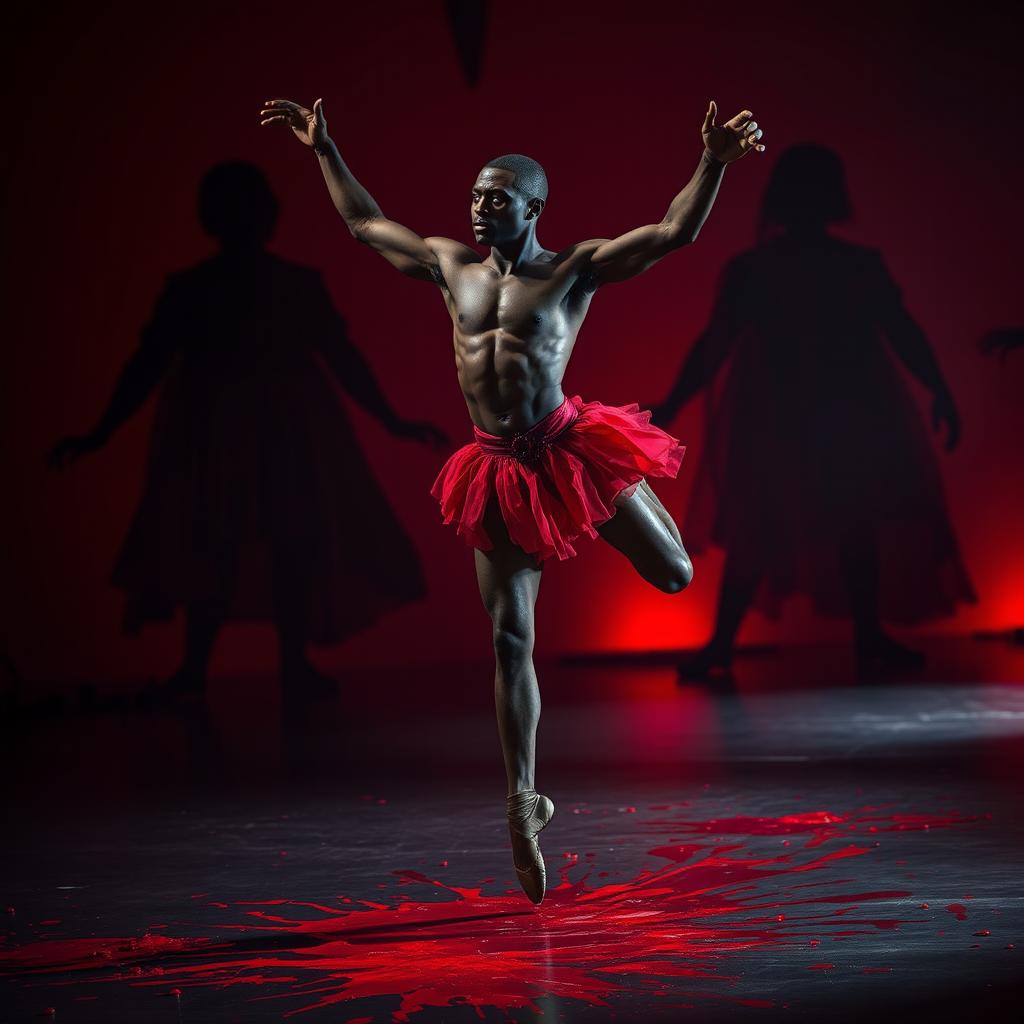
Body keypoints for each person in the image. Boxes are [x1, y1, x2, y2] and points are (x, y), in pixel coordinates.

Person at [260, 96, 766, 903]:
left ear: (534, 207)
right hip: (496, 467)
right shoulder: (448, 265)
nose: (480, 206)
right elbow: (365, 225)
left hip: (569, 448)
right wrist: (325, 149)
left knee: (673, 577)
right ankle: (522, 802)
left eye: (498, 196)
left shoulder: (573, 269)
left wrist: (710, 162)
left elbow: (673, 235)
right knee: (508, 638)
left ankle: (631, 494)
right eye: (475, 195)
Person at [50, 162, 446, 703]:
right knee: (226, 539)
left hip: (266, 430)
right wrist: (99, 432)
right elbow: (147, 363)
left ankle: (258, 666)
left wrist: (393, 420)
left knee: (276, 538)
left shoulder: (261, 287)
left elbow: (340, 356)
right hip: (230, 432)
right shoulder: (213, 289)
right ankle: (221, 669)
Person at [650, 144, 975, 681]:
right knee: (794, 521)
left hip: (835, 414)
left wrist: (940, 387)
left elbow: (900, 331)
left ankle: (755, 644)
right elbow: (717, 344)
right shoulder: (781, 270)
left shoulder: (819, 268)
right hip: (805, 415)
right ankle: (735, 644)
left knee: (842, 520)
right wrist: (673, 402)